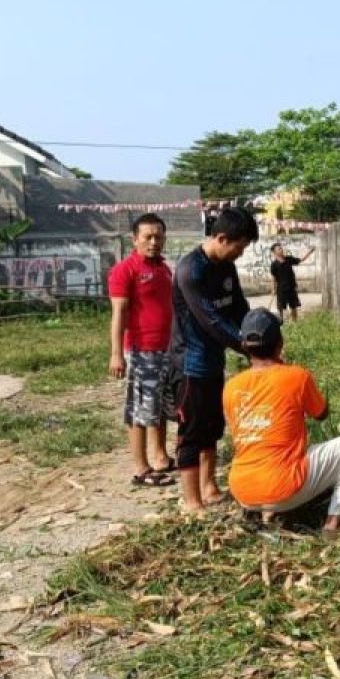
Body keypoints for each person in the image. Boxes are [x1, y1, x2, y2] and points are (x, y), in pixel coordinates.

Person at [222, 309, 340, 538]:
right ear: (280, 342)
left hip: (242, 490)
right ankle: (332, 522)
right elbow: (321, 414)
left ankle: (265, 514)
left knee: (265, 446)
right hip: (283, 488)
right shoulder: (296, 376)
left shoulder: (231, 386)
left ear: (245, 347)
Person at [170, 206, 256, 513]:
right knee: (192, 430)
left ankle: (209, 487)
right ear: (221, 237)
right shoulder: (190, 271)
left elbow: (238, 308)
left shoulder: (225, 267)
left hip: (213, 360)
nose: (241, 253)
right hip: (191, 363)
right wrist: (250, 349)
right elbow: (213, 322)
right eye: (239, 247)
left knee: (212, 425)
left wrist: (257, 333)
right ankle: (191, 500)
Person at [108, 213, 175, 487]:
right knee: (139, 410)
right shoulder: (125, 270)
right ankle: (141, 468)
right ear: (134, 239)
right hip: (141, 350)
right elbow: (119, 313)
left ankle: (160, 457)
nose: (153, 241)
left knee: (158, 406)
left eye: (158, 236)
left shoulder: (164, 268)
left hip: (166, 348)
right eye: (148, 236)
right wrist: (116, 354)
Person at [269, 242, 314, 322]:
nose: (281, 249)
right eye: (279, 249)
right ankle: (280, 323)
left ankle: (295, 323)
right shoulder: (274, 265)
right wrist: (273, 288)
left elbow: (301, 260)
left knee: (293, 306)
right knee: (280, 308)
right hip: (281, 289)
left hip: (291, 287)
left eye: (281, 248)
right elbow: (273, 277)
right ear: (274, 252)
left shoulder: (289, 259)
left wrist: (309, 252)